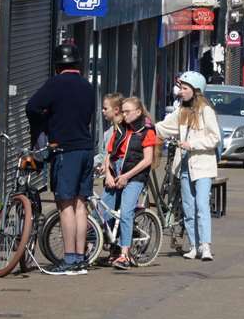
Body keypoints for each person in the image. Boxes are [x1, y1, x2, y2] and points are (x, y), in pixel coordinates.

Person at [25, 44, 97, 275]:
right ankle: (80, 258)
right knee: (80, 205)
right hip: (87, 149)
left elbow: (32, 107)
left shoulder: (55, 84)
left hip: (66, 151)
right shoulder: (88, 86)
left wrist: (45, 122)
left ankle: (69, 258)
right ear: (77, 64)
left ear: (57, 66)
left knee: (65, 205)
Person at [158, 71, 220, 260]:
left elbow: (215, 138)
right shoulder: (181, 112)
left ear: (196, 90)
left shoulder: (206, 111)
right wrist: (144, 125)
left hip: (202, 165)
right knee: (188, 207)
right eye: (181, 88)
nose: (180, 92)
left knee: (201, 205)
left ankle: (205, 246)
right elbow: (164, 127)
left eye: (184, 89)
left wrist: (193, 144)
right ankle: (193, 245)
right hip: (184, 166)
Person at [106, 97, 158, 269]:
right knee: (104, 210)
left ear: (138, 112)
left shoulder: (146, 131)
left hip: (135, 176)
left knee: (126, 212)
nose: (124, 115)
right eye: (123, 111)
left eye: (127, 112)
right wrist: (107, 173)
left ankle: (125, 255)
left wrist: (127, 176)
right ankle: (113, 248)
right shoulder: (120, 129)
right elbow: (110, 154)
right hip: (116, 173)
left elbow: (147, 160)